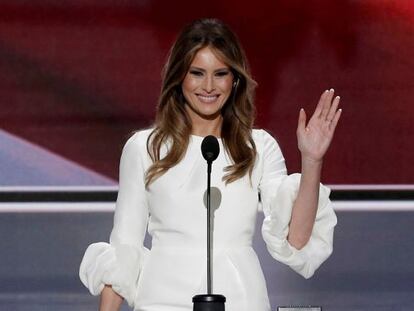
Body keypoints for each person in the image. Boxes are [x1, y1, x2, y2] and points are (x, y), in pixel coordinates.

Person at [79, 18, 340, 311]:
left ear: (235, 79)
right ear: (180, 77)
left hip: (240, 299)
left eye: (220, 74)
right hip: (162, 301)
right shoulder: (144, 148)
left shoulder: (258, 147)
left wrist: (312, 159)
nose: (208, 86)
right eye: (197, 73)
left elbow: (297, 240)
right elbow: (124, 247)